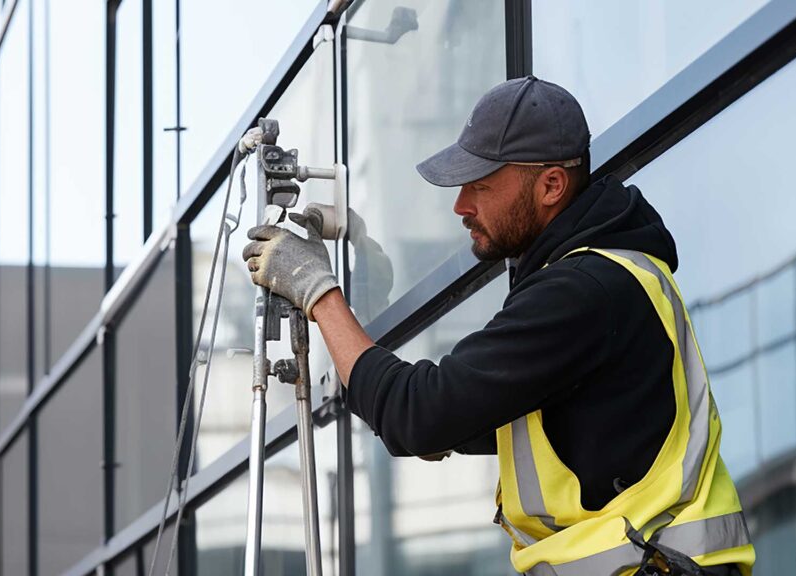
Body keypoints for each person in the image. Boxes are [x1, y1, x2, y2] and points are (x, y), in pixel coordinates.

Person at [243, 76, 755, 576]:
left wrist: (319, 293)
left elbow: (420, 415)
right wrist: (430, 414)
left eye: (480, 186)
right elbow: (442, 421)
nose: (461, 206)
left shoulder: (583, 289)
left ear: (552, 185)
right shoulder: (590, 284)